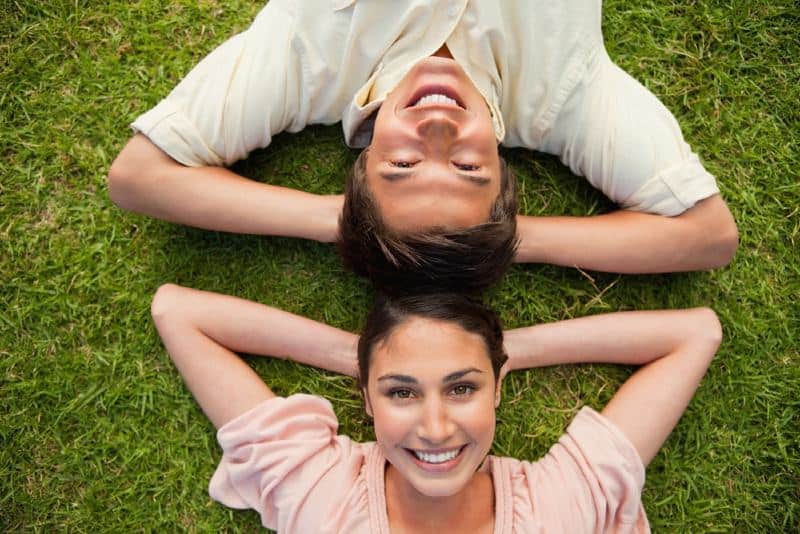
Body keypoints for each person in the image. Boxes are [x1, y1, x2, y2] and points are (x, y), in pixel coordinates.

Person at [108, 1, 738, 292]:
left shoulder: (309, 62)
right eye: (468, 167)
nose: (437, 129)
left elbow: (141, 176)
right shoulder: (562, 96)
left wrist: (354, 227)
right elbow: (706, 235)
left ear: (359, 167)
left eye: (402, 165)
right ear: (505, 178)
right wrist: (496, 241)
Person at [151, 284, 722, 532]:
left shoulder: (556, 510)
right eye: (401, 392)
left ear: (497, 389)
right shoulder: (322, 496)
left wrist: (495, 354)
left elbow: (695, 334)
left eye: (462, 388)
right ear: (367, 399)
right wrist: (367, 358)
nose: (435, 427)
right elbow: (177, 313)